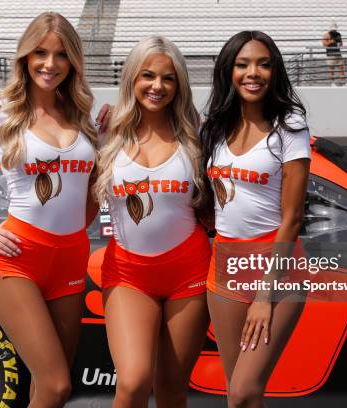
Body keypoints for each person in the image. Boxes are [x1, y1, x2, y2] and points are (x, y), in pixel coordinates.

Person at [0, 12, 98, 408]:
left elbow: (88, 202)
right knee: (56, 383)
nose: (49, 64)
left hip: (72, 259)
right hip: (17, 261)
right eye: (40, 52)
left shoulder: (85, 115)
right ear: (25, 57)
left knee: (51, 390)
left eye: (61, 55)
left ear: (73, 62)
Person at [94, 36, 210, 408]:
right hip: (128, 274)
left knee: (172, 387)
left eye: (168, 78)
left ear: (179, 85)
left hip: (189, 271)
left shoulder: (197, 133)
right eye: (147, 76)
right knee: (132, 382)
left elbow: (213, 205)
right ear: (131, 79)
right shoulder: (108, 132)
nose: (157, 86)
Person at [200, 30, 310, 407]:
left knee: (245, 389)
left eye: (264, 64)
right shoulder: (214, 127)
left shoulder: (289, 125)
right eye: (243, 64)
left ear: (275, 71)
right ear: (228, 71)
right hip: (225, 265)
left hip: (275, 270)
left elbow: (293, 217)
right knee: (239, 394)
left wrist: (265, 296)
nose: (254, 73)